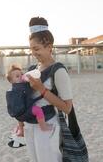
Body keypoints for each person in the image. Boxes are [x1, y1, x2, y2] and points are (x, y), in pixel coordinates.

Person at [21, 17, 73, 162]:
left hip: (48, 124)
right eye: (31, 49)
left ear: (49, 46)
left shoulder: (58, 70)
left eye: (37, 49)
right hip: (30, 124)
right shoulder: (32, 69)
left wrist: (42, 89)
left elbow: (68, 108)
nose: (33, 53)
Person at [6, 64, 53, 137]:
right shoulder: (22, 86)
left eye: (21, 74)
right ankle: (43, 127)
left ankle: (21, 130)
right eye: (17, 76)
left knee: (19, 117)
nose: (21, 77)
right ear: (11, 81)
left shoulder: (13, 89)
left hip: (19, 114)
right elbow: (32, 88)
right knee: (38, 110)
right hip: (26, 110)